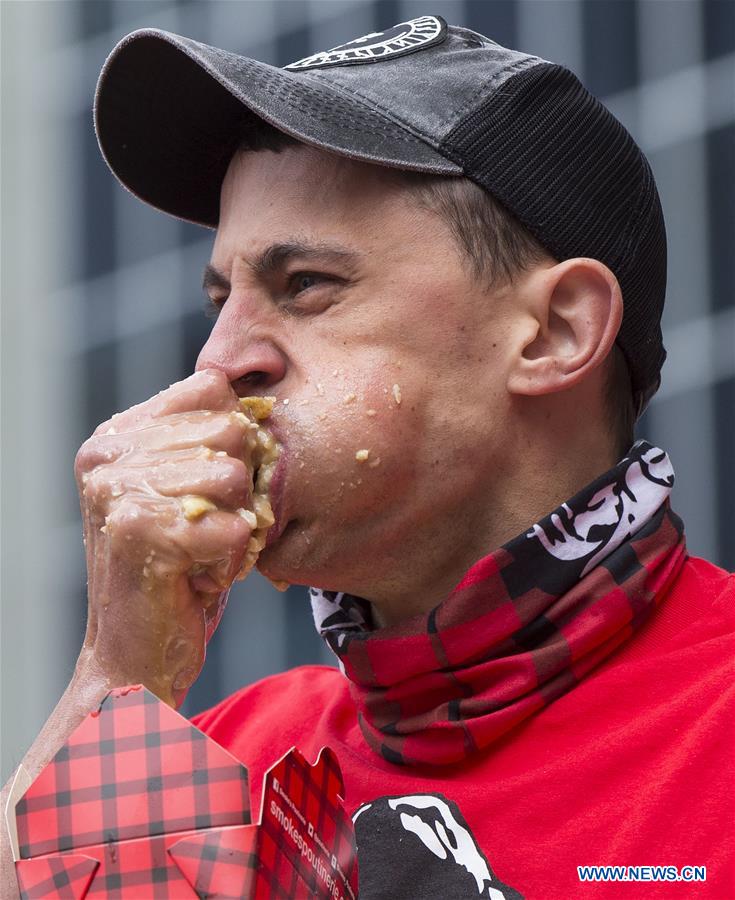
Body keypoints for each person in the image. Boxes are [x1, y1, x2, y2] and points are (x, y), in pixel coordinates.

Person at [2, 16, 733, 899]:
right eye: (220, 299)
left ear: (553, 331)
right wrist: (120, 670)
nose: (217, 361)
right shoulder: (215, 761)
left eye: (305, 284)